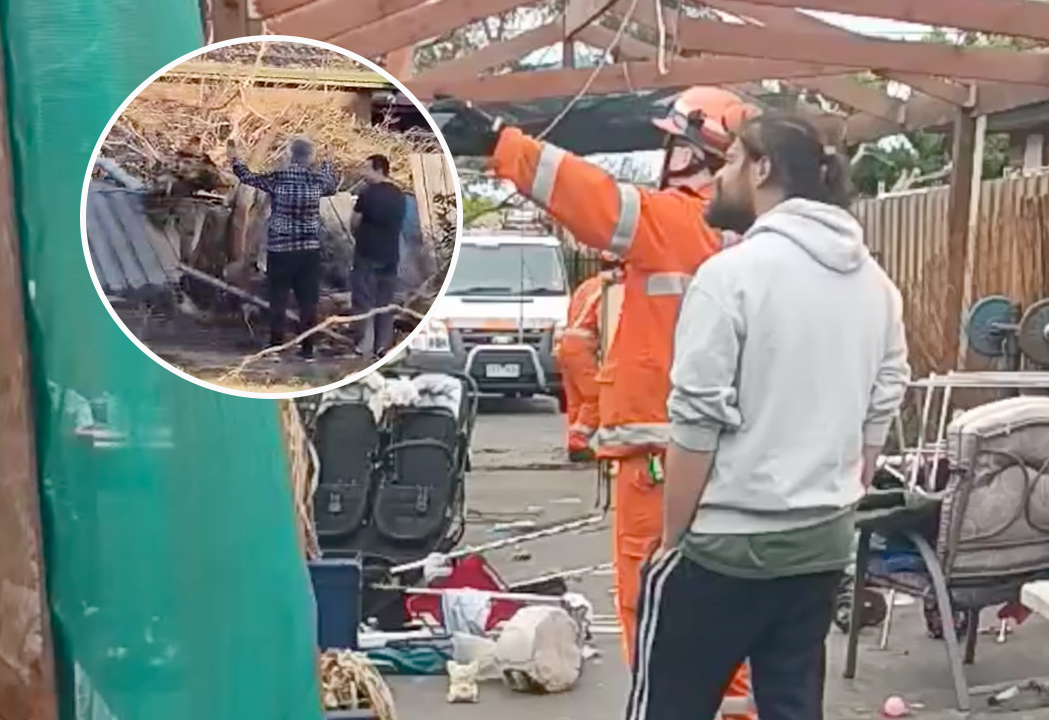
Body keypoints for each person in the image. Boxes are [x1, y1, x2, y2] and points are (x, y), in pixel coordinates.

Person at [452, 86, 760, 718]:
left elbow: (593, 201)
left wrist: (499, 143)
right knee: (724, 621)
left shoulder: (681, 223)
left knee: (657, 614)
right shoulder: (755, 242)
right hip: (727, 460)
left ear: (697, 154)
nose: (663, 156)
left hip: (664, 462)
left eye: (672, 143)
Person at [628, 112, 911, 720]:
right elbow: (886, 393)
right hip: (822, 544)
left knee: (669, 706)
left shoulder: (730, 277)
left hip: (725, 548)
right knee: (791, 704)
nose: (717, 177)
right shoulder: (877, 285)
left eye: (729, 160)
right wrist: (845, 487)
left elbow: (697, 425)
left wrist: (673, 541)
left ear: (763, 168)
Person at [228, 136, 339, 360]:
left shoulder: (279, 179)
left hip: (281, 249)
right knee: (308, 301)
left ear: (290, 155)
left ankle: (275, 347)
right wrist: (327, 160)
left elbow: (247, 177)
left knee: (277, 299)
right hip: (309, 250)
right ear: (309, 158)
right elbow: (331, 184)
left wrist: (234, 159)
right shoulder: (317, 181)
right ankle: (308, 349)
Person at [555, 251, 619, 462]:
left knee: (576, 399)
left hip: (565, 343)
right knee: (596, 396)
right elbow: (605, 321)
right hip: (583, 346)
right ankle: (578, 440)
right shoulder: (609, 289)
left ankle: (574, 443)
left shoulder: (586, 285)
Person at [349, 154, 406, 358]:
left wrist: (359, 236)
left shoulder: (367, 193)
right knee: (385, 303)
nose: (363, 173)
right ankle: (382, 346)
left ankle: (363, 344)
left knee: (363, 300)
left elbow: (354, 222)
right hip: (391, 255)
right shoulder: (399, 195)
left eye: (367, 169)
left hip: (366, 254)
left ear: (379, 170)